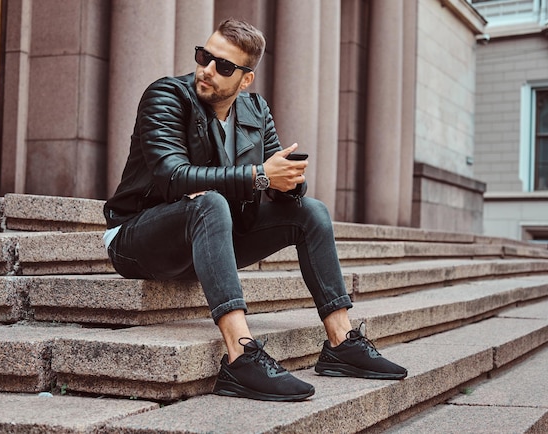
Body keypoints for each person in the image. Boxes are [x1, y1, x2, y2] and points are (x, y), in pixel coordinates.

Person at [103, 18, 407, 402]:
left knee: (311, 212)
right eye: (204, 56)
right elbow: (173, 177)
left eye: (223, 66)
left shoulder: (255, 110)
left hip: (211, 237)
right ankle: (240, 357)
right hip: (138, 238)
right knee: (208, 200)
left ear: (245, 79)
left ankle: (341, 342)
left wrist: (290, 183)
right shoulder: (166, 96)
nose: (207, 70)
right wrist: (261, 176)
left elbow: (276, 182)